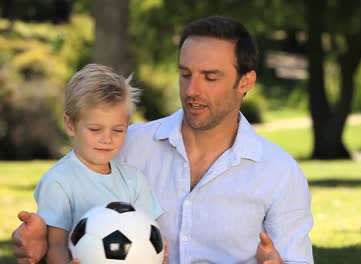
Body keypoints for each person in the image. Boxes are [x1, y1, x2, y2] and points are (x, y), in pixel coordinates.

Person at [12, 16, 314, 263]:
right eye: (185, 74)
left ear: (245, 82)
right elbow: (72, 203)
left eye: (210, 77)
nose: (192, 90)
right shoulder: (124, 144)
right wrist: (41, 239)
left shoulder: (279, 173)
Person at [33, 63, 163, 263]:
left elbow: (149, 233)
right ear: (70, 125)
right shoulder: (58, 182)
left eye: (118, 130)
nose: (107, 139)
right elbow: (55, 246)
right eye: (95, 129)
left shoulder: (133, 179)